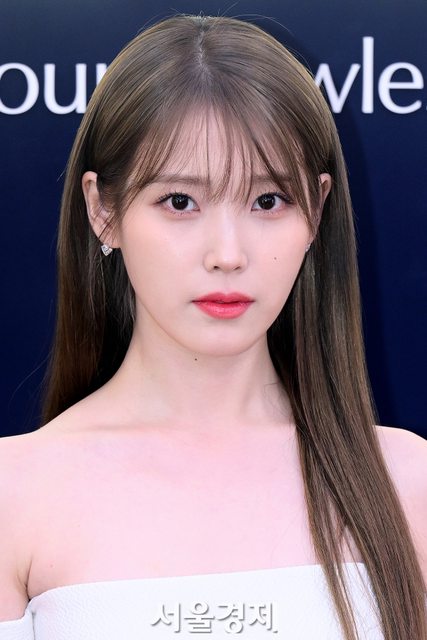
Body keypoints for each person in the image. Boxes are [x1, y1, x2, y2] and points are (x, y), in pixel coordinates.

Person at [0, 13, 425, 640]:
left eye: (267, 201)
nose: (227, 254)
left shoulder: (407, 482)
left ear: (317, 210)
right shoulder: (16, 493)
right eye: (180, 202)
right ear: (103, 209)